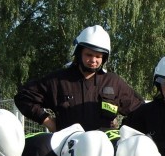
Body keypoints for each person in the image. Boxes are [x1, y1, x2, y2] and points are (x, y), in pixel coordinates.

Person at [14, 25, 143, 132]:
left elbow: (140, 111)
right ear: (78, 52)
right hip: (67, 151)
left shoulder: (113, 82)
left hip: (104, 153)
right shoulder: (59, 80)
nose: (93, 60)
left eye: (98, 56)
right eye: (89, 54)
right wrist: (47, 121)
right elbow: (23, 97)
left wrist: (123, 131)